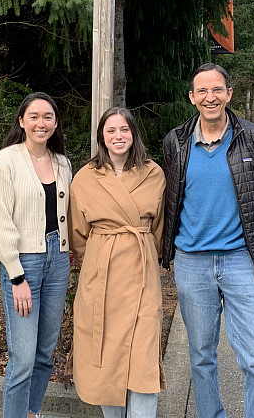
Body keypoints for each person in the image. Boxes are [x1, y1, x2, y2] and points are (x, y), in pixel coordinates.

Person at [161, 63, 254, 418]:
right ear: (192, 97)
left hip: (242, 260)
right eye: (202, 91)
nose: (209, 97)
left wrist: (250, 237)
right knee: (201, 355)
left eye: (217, 90)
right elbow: (170, 198)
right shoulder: (175, 142)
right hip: (192, 263)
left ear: (229, 94)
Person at [68, 107, 167, 417]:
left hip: (142, 275)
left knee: (143, 360)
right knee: (107, 357)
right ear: (102, 137)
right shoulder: (85, 177)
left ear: (134, 134)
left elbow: (159, 228)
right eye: (111, 131)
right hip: (102, 275)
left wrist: (148, 256)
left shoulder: (154, 173)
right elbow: (78, 233)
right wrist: (99, 257)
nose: (118, 136)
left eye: (124, 130)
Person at [0, 92, 73, 418]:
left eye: (47, 116)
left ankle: (31, 413)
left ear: (55, 122)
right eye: (34, 116)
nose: (41, 122)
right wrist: (16, 275)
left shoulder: (62, 162)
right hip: (24, 263)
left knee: (44, 353)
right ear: (22, 121)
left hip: (58, 260)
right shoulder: (5, 161)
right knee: (22, 357)